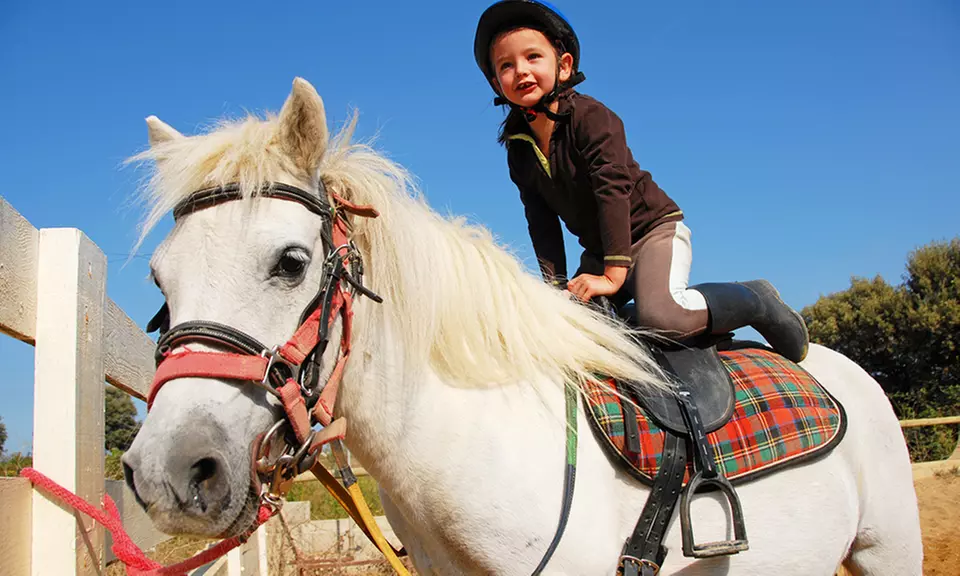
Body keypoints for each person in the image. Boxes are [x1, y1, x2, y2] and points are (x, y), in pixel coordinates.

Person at [473, 0, 809, 362]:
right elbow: (541, 222)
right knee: (569, 326)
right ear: (496, 81)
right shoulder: (519, 150)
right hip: (602, 252)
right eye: (506, 65)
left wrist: (615, 274)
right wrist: (554, 289)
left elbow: (612, 191)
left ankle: (754, 298)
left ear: (564, 66)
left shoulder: (592, 118)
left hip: (650, 234)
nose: (520, 71)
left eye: (533, 57)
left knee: (663, 317)